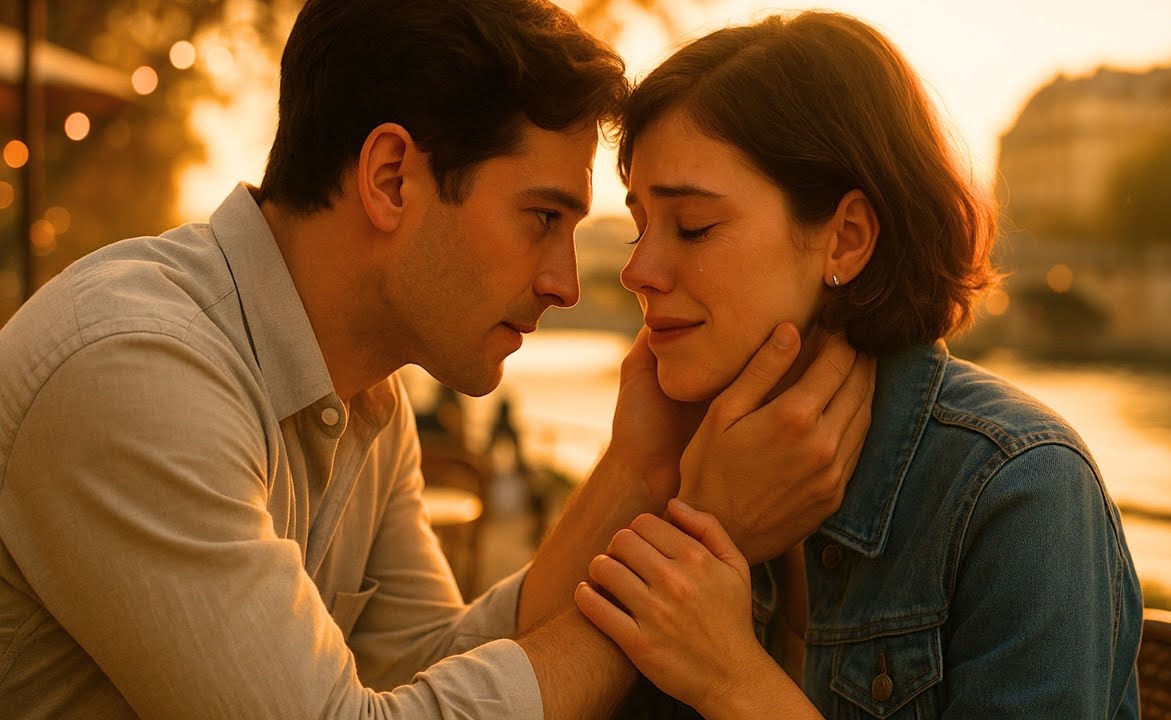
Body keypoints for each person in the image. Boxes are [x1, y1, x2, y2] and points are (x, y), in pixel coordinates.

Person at [0, 2, 877, 718]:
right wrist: (675, 591)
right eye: (542, 217)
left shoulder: (368, 405)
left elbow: (432, 667)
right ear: (390, 179)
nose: (569, 283)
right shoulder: (136, 371)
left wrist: (638, 472)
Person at [574, 11, 1142, 719]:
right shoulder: (693, 454)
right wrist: (636, 471)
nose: (637, 271)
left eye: (692, 226)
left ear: (845, 240)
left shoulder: (1020, 492)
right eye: (637, 228)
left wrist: (731, 678)